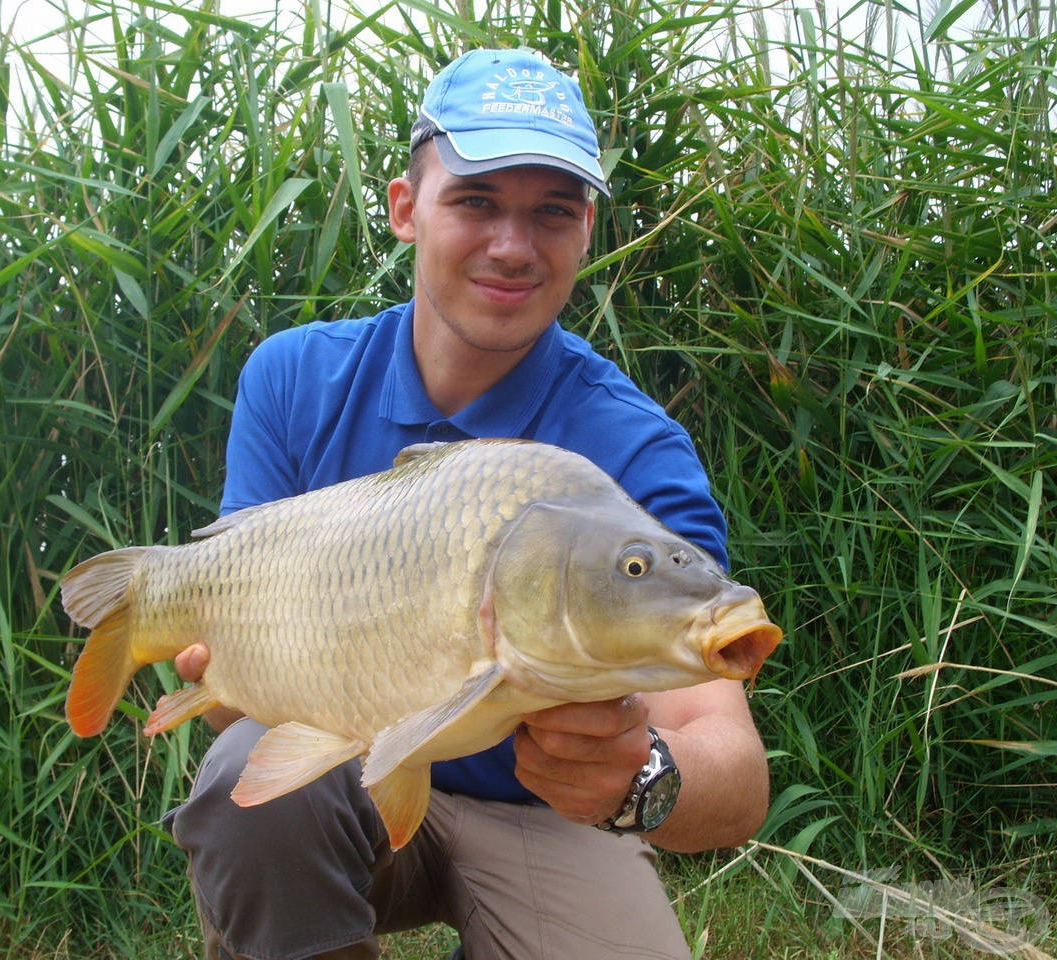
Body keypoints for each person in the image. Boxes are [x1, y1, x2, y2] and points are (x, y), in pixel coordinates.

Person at [163, 47, 770, 960]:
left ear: (587, 230)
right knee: (248, 778)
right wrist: (233, 682)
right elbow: (236, 719)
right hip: (348, 784)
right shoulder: (292, 379)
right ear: (408, 209)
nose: (513, 246)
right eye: (477, 201)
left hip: (548, 820)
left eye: (551, 213)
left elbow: (734, 768)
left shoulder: (633, 448)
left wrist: (636, 775)